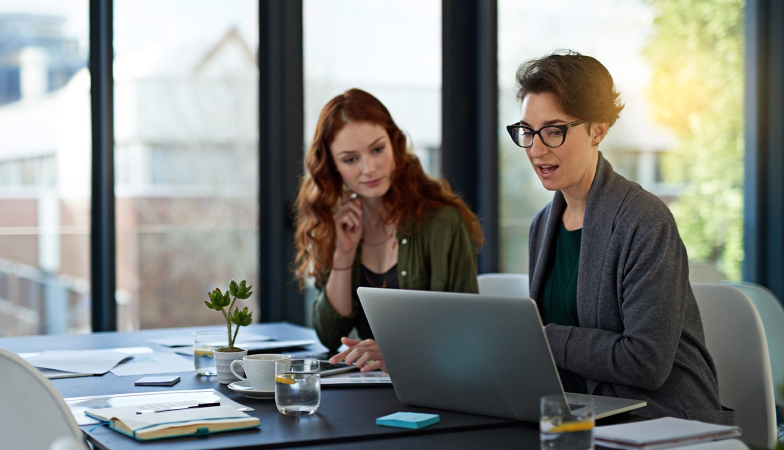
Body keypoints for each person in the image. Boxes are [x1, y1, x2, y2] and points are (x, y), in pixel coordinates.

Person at [508, 50, 732, 424]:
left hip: (659, 420)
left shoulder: (644, 220)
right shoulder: (543, 224)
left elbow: (645, 362)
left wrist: (542, 338)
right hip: (580, 414)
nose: (536, 148)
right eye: (527, 132)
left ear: (598, 129)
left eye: (553, 130)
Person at [294, 88, 483, 373]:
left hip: (434, 386)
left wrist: (400, 353)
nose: (369, 168)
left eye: (377, 149)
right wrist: (343, 255)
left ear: (394, 144)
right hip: (364, 387)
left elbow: (468, 334)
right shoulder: (339, 223)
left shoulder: (443, 221)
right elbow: (330, 334)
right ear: (332, 167)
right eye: (350, 159)